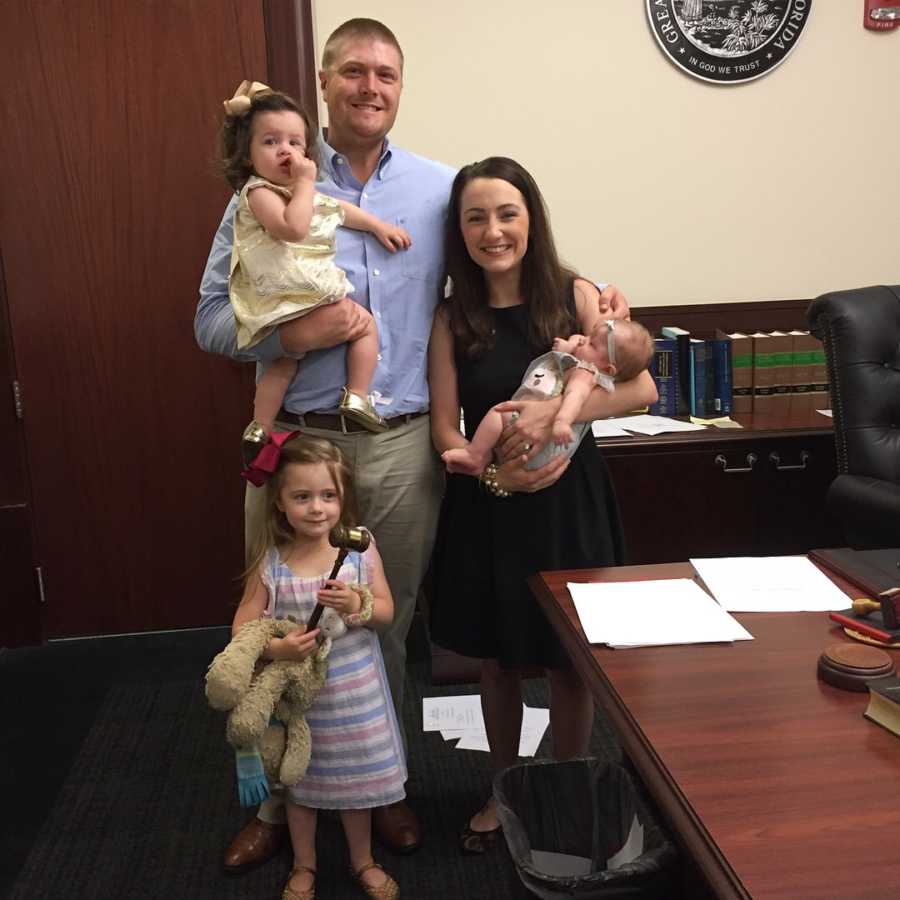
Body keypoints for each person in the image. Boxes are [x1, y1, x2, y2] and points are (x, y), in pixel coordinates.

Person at [197, 17, 629, 870]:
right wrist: (287, 341)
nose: (369, 86)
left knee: (377, 632)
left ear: (401, 87)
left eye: (385, 74)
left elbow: (499, 275)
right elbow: (210, 318)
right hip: (291, 447)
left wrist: (596, 334)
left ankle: (379, 789)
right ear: (324, 82)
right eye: (352, 71)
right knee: (277, 620)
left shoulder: (438, 193)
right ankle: (281, 807)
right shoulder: (264, 187)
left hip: (396, 447)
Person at [427, 156, 657, 853]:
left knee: (568, 660)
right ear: (459, 230)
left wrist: (554, 409)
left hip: (569, 502)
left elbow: (642, 390)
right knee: (497, 658)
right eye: (476, 217)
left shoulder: (575, 295)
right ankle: (506, 788)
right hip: (491, 503)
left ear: (531, 219)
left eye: (507, 214)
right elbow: (444, 428)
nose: (492, 231)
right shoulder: (452, 316)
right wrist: (497, 471)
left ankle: (563, 785)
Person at [232, 434, 402, 900]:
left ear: (343, 498)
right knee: (299, 783)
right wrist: (278, 650)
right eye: (301, 496)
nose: (317, 508)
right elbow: (243, 628)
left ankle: (362, 859)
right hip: (299, 703)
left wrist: (356, 604)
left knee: (355, 782)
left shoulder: (361, 551)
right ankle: (304, 864)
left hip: (354, 692)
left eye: (328, 495)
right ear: (279, 503)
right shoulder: (272, 562)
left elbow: (386, 612)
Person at [218, 80, 412, 475]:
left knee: (292, 361)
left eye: (294, 142)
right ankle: (346, 399)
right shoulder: (257, 193)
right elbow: (293, 227)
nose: (286, 151)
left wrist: (375, 225)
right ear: (248, 154)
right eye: (271, 142)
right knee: (348, 333)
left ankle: (271, 424)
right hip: (290, 295)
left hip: (298, 296)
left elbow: (338, 209)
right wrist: (306, 183)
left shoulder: (297, 192)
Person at [441, 317, 652, 476]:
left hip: (543, 447)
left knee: (498, 413)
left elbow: (573, 400)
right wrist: (569, 345)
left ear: (609, 368)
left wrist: (561, 421)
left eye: (592, 344)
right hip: (532, 448)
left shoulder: (584, 376)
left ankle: (476, 454)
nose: (582, 341)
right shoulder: (586, 361)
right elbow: (574, 345)